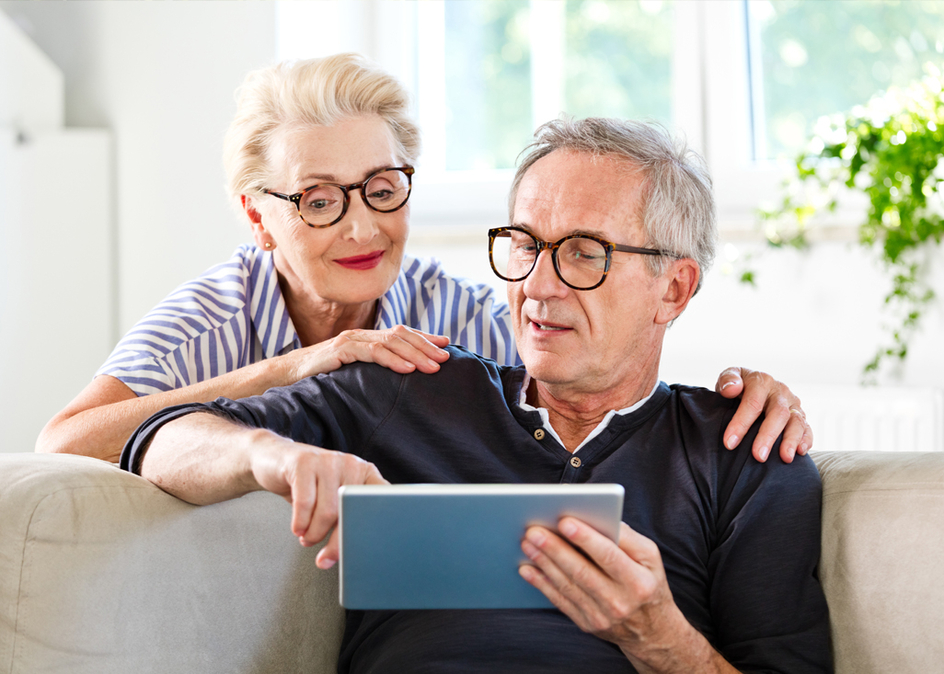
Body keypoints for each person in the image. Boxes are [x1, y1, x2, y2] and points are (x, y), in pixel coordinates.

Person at [121, 118, 831, 673]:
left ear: (672, 290)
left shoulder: (746, 454)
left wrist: (662, 641)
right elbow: (161, 438)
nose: (538, 287)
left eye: (585, 252)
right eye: (526, 244)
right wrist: (263, 455)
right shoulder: (410, 387)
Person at [37, 53, 811, 465]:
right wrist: (291, 368)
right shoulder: (204, 322)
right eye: (318, 200)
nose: (360, 229)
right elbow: (62, 444)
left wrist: (738, 405)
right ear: (258, 217)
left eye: (381, 188)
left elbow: (597, 370)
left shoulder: (458, 314)